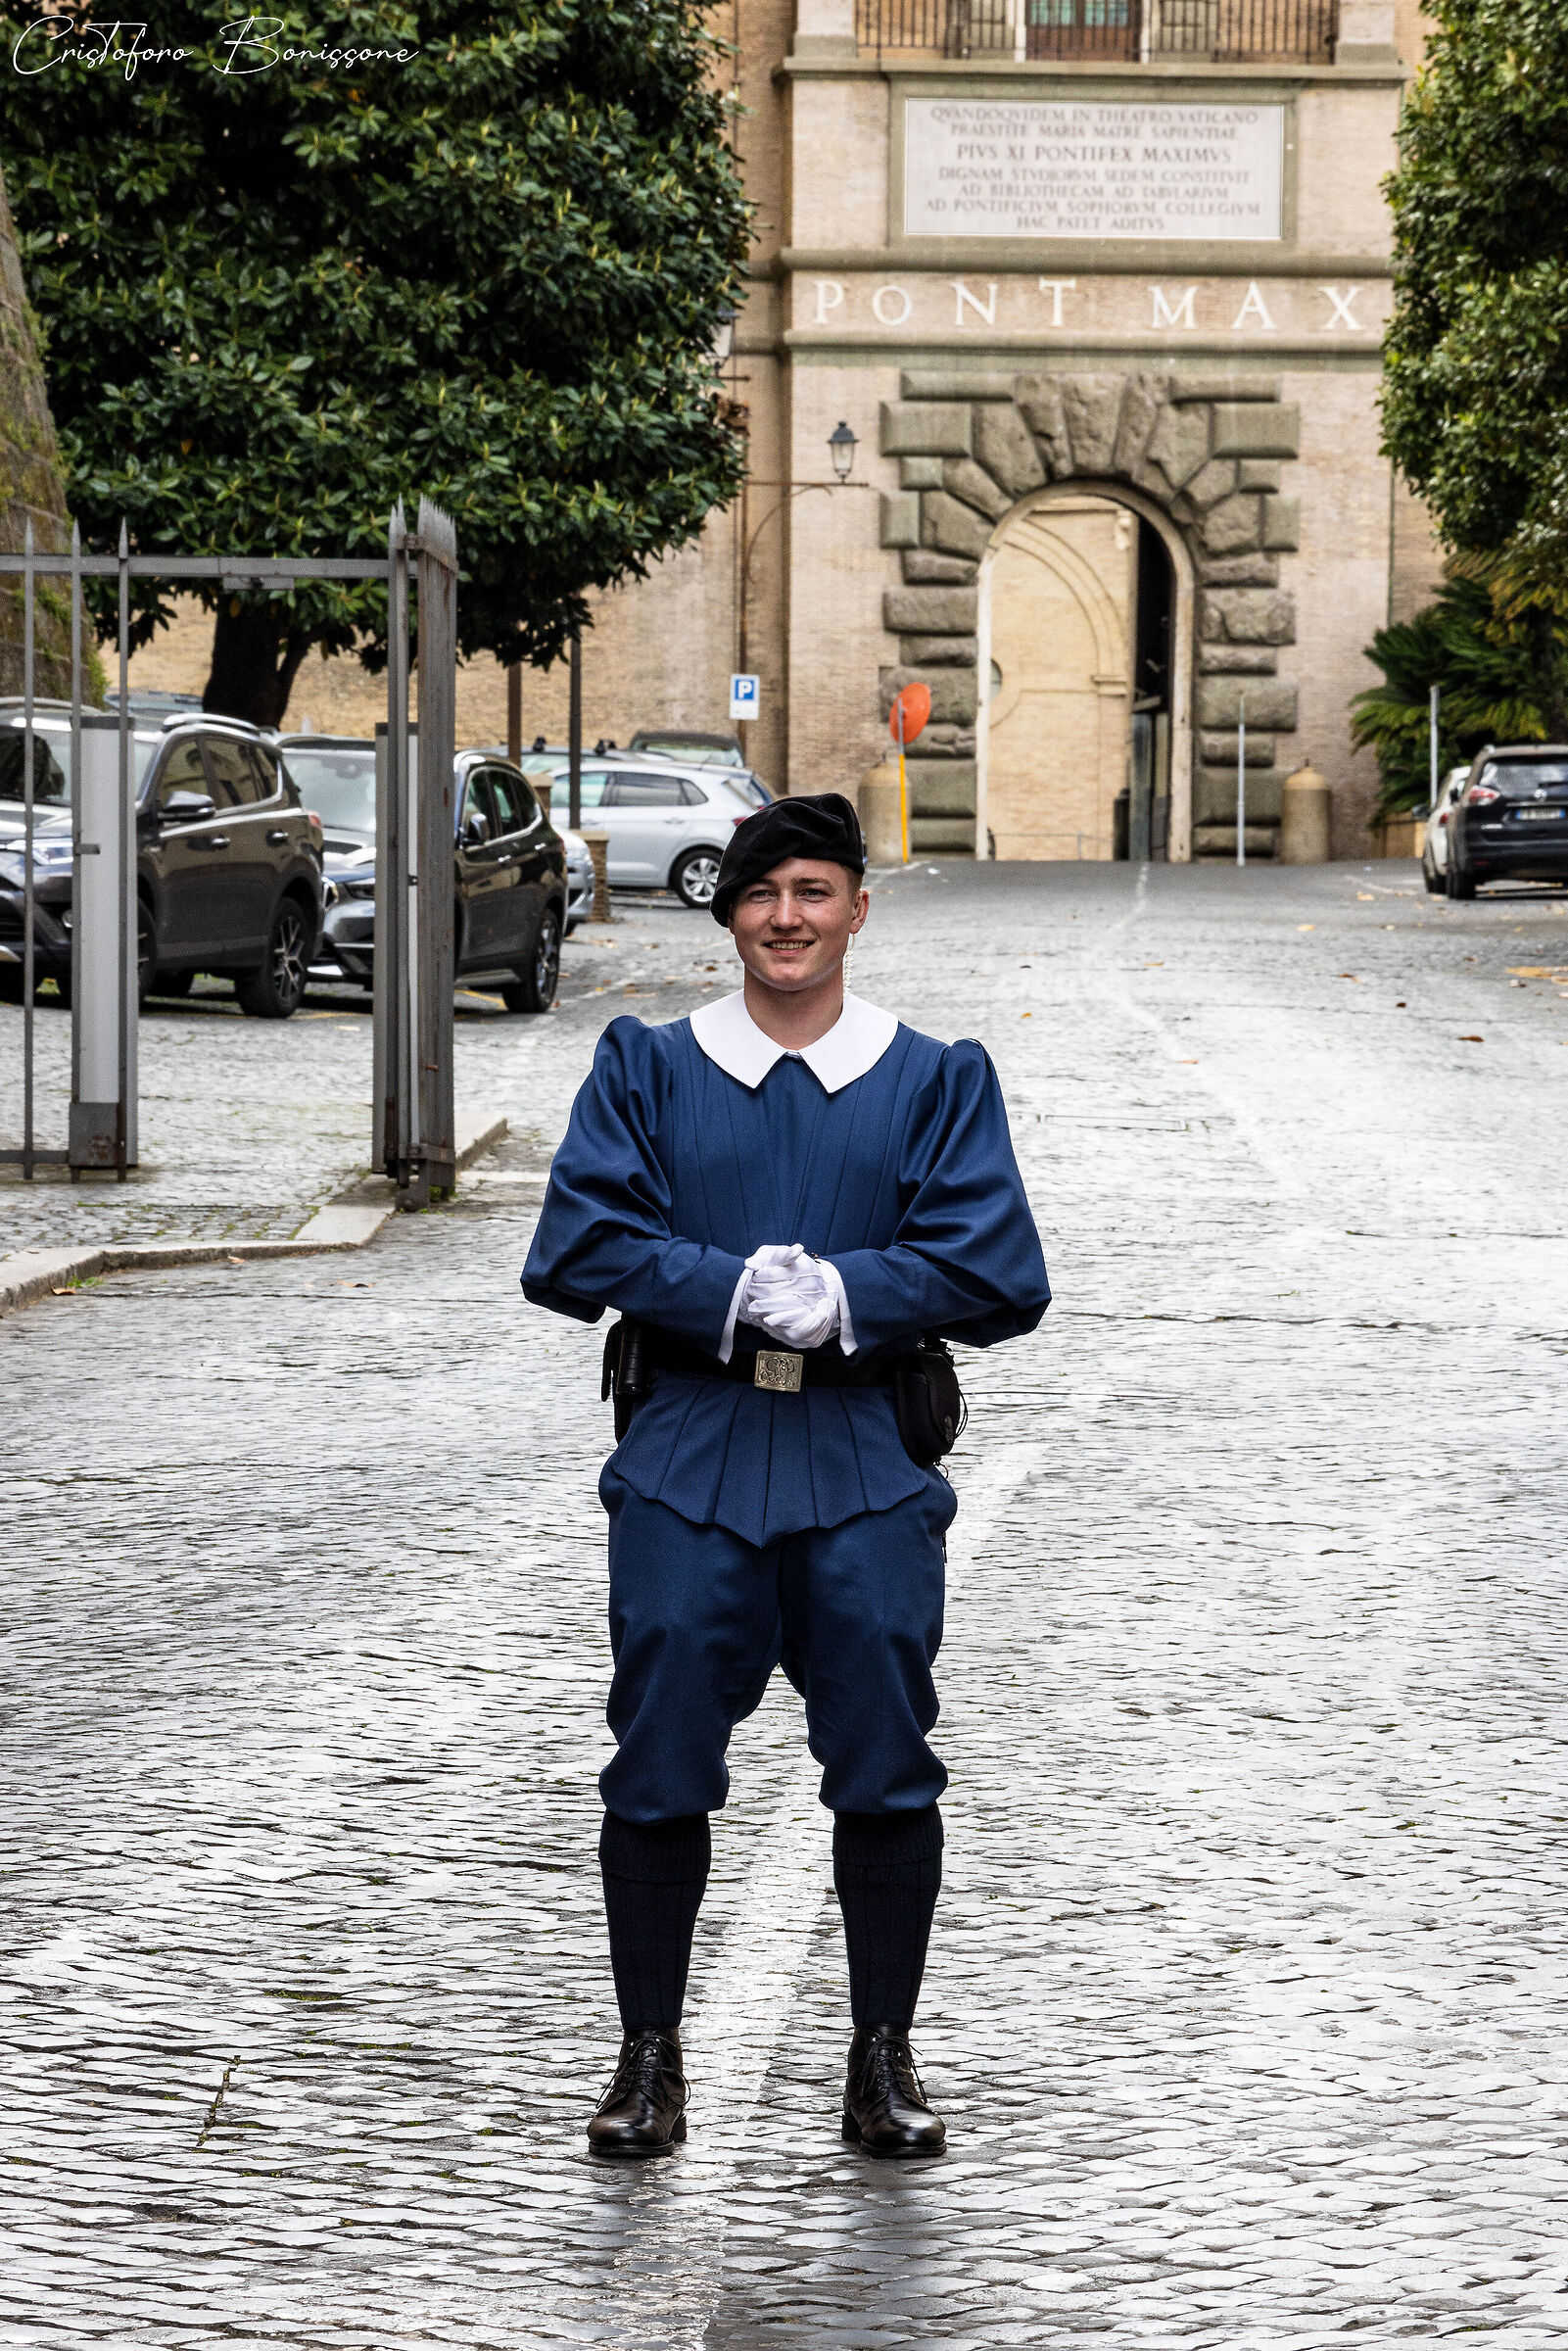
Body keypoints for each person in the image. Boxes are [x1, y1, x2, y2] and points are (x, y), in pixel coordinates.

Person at [521, 792, 1049, 2159]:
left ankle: (883, 2055)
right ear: (727, 914)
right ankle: (647, 2059)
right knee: (655, 1763)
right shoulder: (646, 1065)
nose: (787, 919)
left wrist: (853, 1289)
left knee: (884, 1765)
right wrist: (728, 1283)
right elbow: (574, 1247)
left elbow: (999, 1272)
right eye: (762, 896)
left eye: (815, 892)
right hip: (688, 1453)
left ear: (856, 910)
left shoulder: (934, 1078)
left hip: (864, 1455)